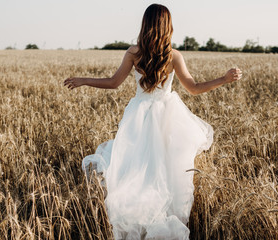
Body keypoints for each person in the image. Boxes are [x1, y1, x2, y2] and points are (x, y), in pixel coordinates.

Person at [64, 3, 242, 239]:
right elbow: (194, 88)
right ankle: (163, 220)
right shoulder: (173, 55)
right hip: (168, 115)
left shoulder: (133, 53)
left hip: (139, 114)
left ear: (145, 24)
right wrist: (223, 78)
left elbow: (113, 82)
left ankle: (138, 217)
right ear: (168, 26)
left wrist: (84, 80)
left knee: (137, 168)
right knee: (167, 170)